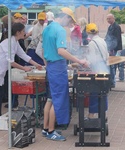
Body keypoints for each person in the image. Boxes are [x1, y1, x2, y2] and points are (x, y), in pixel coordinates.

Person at [42, 7, 88, 141]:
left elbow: (45, 51)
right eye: (70, 21)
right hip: (57, 68)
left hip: (51, 67)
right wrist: (79, 60)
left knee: (50, 99)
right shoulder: (60, 30)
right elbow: (61, 51)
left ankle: (45, 129)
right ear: (65, 17)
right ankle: (51, 131)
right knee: (58, 99)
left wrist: (54, 65)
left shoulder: (47, 29)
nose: (69, 24)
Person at [0, 22, 42, 127]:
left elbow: (23, 55)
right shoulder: (8, 43)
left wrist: (37, 65)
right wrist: (24, 68)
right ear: (18, 32)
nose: (25, 33)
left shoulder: (15, 42)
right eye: (23, 31)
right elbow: (11, 62)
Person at [85, 23, 109, 119]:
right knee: (103, 92)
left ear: (88, 32)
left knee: (94, 93)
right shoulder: (102, 41)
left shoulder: (92, 43)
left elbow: (92, 60)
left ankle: (91, 115)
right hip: (104, 69)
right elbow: (106, 55)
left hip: (96, 70)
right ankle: (103, 114)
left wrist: (86, 62)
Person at [105, 13, 122, 88]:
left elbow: (117, 39)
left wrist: (111, 49)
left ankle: (112, 82)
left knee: (112, 66)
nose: (108, 20)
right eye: (107, 19)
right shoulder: (110, 27)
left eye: (109, 18)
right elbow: (107, 37)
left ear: (113, 18)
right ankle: (110, 81)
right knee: (110, 66)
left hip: (114, 49)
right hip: (109, 48)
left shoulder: (117, 27)